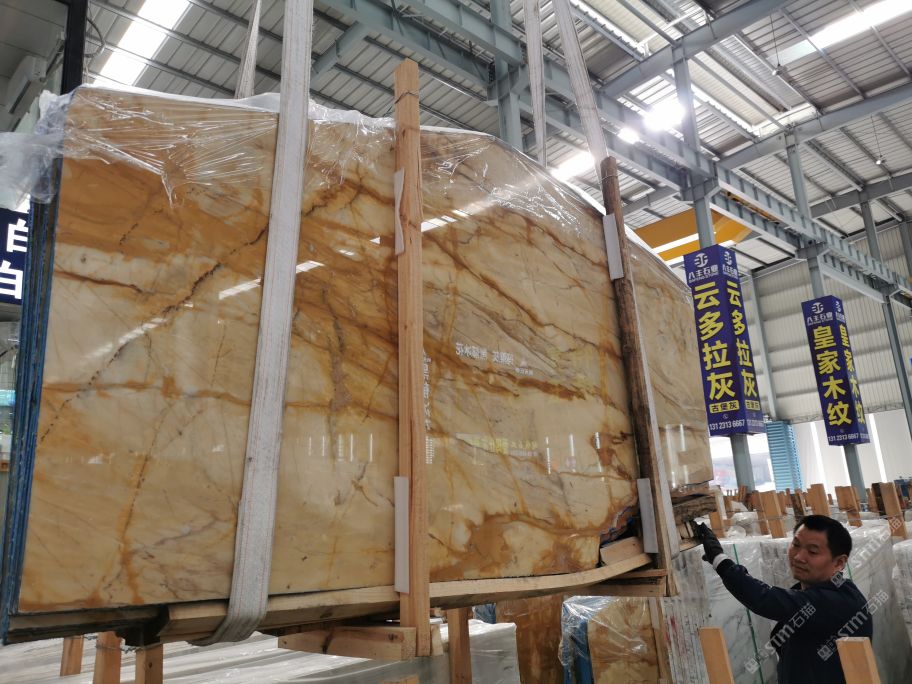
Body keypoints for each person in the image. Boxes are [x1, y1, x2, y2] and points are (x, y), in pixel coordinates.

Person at [697, 514, 872, 684]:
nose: (798, 557)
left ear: (839, 563)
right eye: (796, 545)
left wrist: (720, 559)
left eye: (812, 551)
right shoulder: (812, 592)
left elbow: (764, 598)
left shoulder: (839, 602)